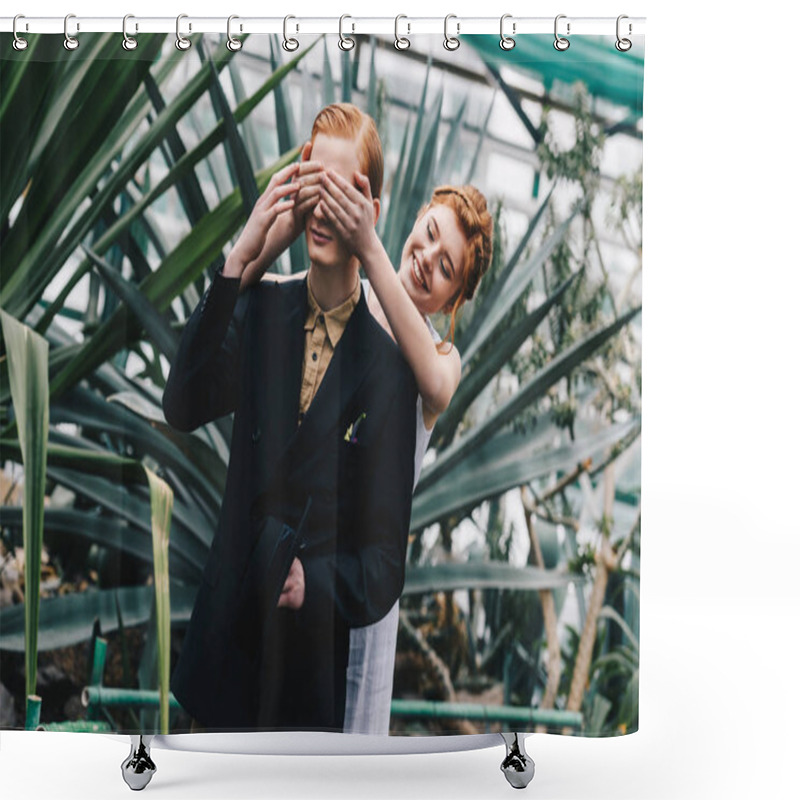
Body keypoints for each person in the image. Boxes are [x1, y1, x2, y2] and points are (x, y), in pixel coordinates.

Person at [162, 103, 419, 732]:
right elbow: (183, 404)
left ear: (370, 213)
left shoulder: (391, 370)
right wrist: (240, 255)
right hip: (221, 658)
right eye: (312, 182)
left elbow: (385, 566)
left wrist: (315, 584)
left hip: (305, 684)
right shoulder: (261, 307)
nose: (322, 206)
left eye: (341, 191)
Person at [242, 180, 494, 733]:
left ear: (453, 300)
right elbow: (260, 290)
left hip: (357, 585)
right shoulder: (343, 294)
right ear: (417, 217)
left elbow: (436, 383)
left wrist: (367, 243)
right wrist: (272, 229)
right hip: (289, 563)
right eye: (428, 234)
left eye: (446, 266)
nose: (426, 259)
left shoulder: (440, 357)